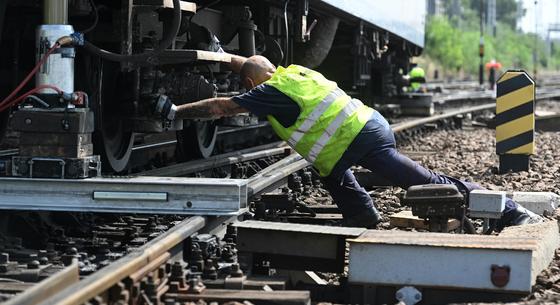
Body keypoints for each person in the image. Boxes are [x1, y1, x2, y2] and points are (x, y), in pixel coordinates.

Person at [156, 55, 542, 229]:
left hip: (361, 142)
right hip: (367, 128)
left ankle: (509, 209)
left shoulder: (268, 92)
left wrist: (175, 111)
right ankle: (362, 216)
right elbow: (251, 64)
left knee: (429, 184)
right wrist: (228, 60)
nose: (247, 92)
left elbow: (222, 107)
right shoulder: (295, 73)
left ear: (254, 84)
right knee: (331, 172)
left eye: (247, 85)